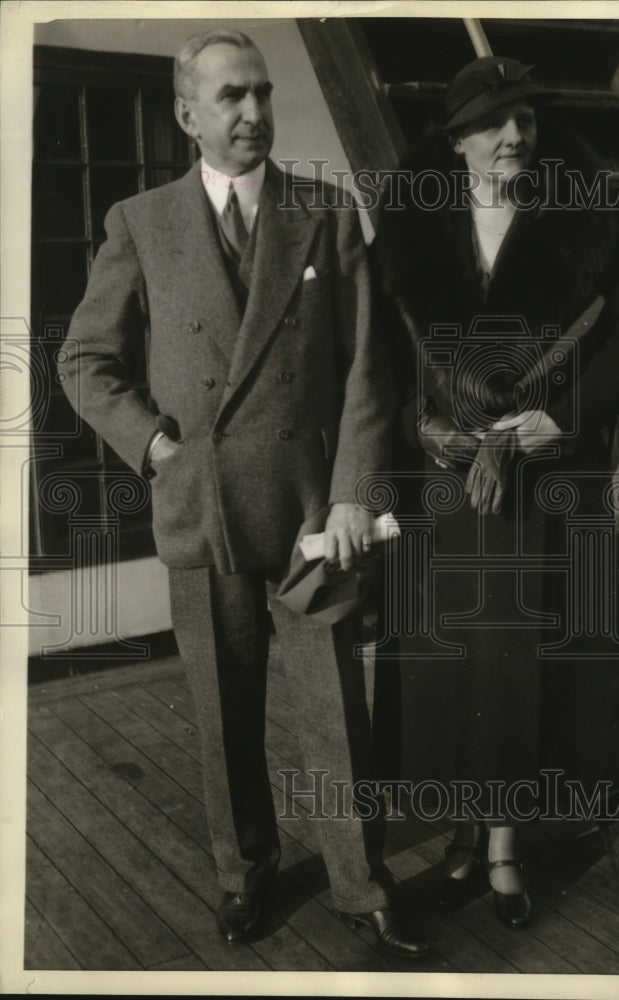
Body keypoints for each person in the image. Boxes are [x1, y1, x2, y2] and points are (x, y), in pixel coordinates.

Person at [59, 29, 428, 959]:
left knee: (335, 712)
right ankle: (243, 874)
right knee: (223, 716)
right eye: (230, 97)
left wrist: (351, 495)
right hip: (206, 513)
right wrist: (154, 445)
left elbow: (367, 373)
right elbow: (84, 361)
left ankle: (358, 880)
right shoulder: (140, 221)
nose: (254, 112)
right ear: (188, 113)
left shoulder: (328, 214)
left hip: (314, 519)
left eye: (261, 92)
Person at [371, 56, 619, 929]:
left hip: (545, 489)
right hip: (447, 488)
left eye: (524, 120)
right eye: (493, 123)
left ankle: (502, 848)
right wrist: (413, 431)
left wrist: (561, 420)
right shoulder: (407, 228)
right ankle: (460, 837)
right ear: (455, 141)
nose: (513, 137)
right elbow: (378, 356)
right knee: (450, 665)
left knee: (525, 663)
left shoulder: (584, 221)